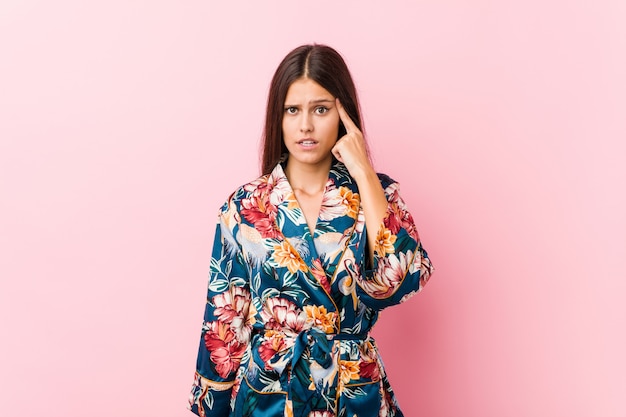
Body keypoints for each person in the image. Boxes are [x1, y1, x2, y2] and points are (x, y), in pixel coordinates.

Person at [188, 44, 434, 417]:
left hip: (352, 391)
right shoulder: (245, 207)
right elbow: (224, 321)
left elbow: (398, 283)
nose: (306, 125)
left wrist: (364, 170)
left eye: (320, 109)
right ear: (278, 118)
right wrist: (213, 407)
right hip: (268, 395)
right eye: (292, 110)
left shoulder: (376, 195)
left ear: (343, 114)